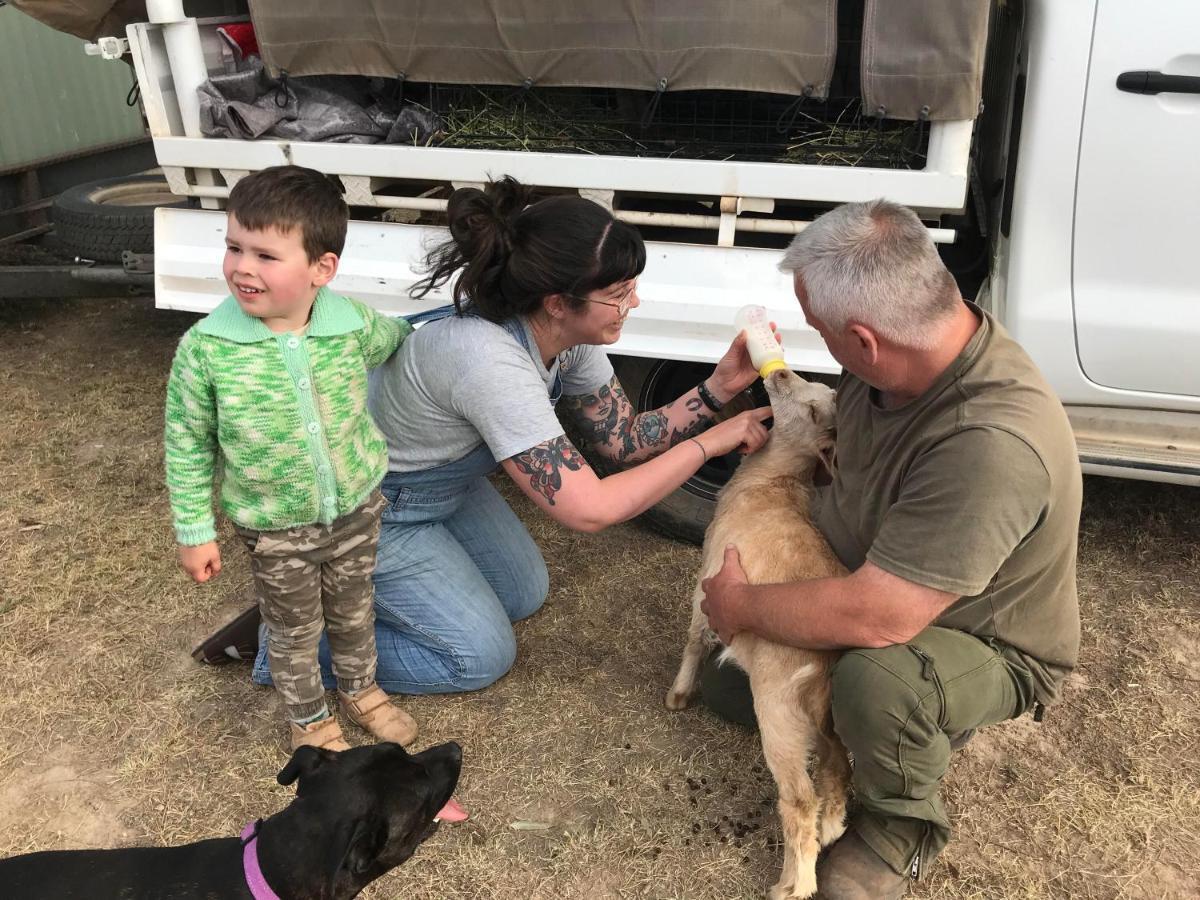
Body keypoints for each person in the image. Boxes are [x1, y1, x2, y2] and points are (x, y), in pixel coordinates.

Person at [188, 176, 774, 695]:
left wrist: (718, 389)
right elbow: (589, 509)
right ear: (557, 302)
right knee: (476, 656)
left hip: (441, 486)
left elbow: (620, 439)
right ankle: (285, 645)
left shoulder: (565, 338)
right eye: (618, 293)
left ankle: (332, 598)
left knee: (524, 593)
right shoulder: (487, 361)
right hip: (367, 506)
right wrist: (710, 443)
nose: (633, 302)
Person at [698, 200, 1082, 899]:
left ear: (865, 338)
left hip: (967, 632)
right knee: (739, 684)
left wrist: (742, 603)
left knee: (872, 684)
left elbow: (883, 617)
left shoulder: (988, 443)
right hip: (871, 575)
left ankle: (900, 824)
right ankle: (875, 723)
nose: (814, 340)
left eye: (818, 328)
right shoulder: (897, 361)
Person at [166, 165, 420, 752]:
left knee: (355, 611)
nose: (242, 267)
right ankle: (309, 720)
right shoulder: (207, 349)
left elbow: (397, 340)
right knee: (294, 629)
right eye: (233, 247)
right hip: (275, 527)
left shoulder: (351, 323)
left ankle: (362, 689)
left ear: (321, 268)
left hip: (357, 511)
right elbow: (186, 443)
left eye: (265, 254)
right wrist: (194, 530)